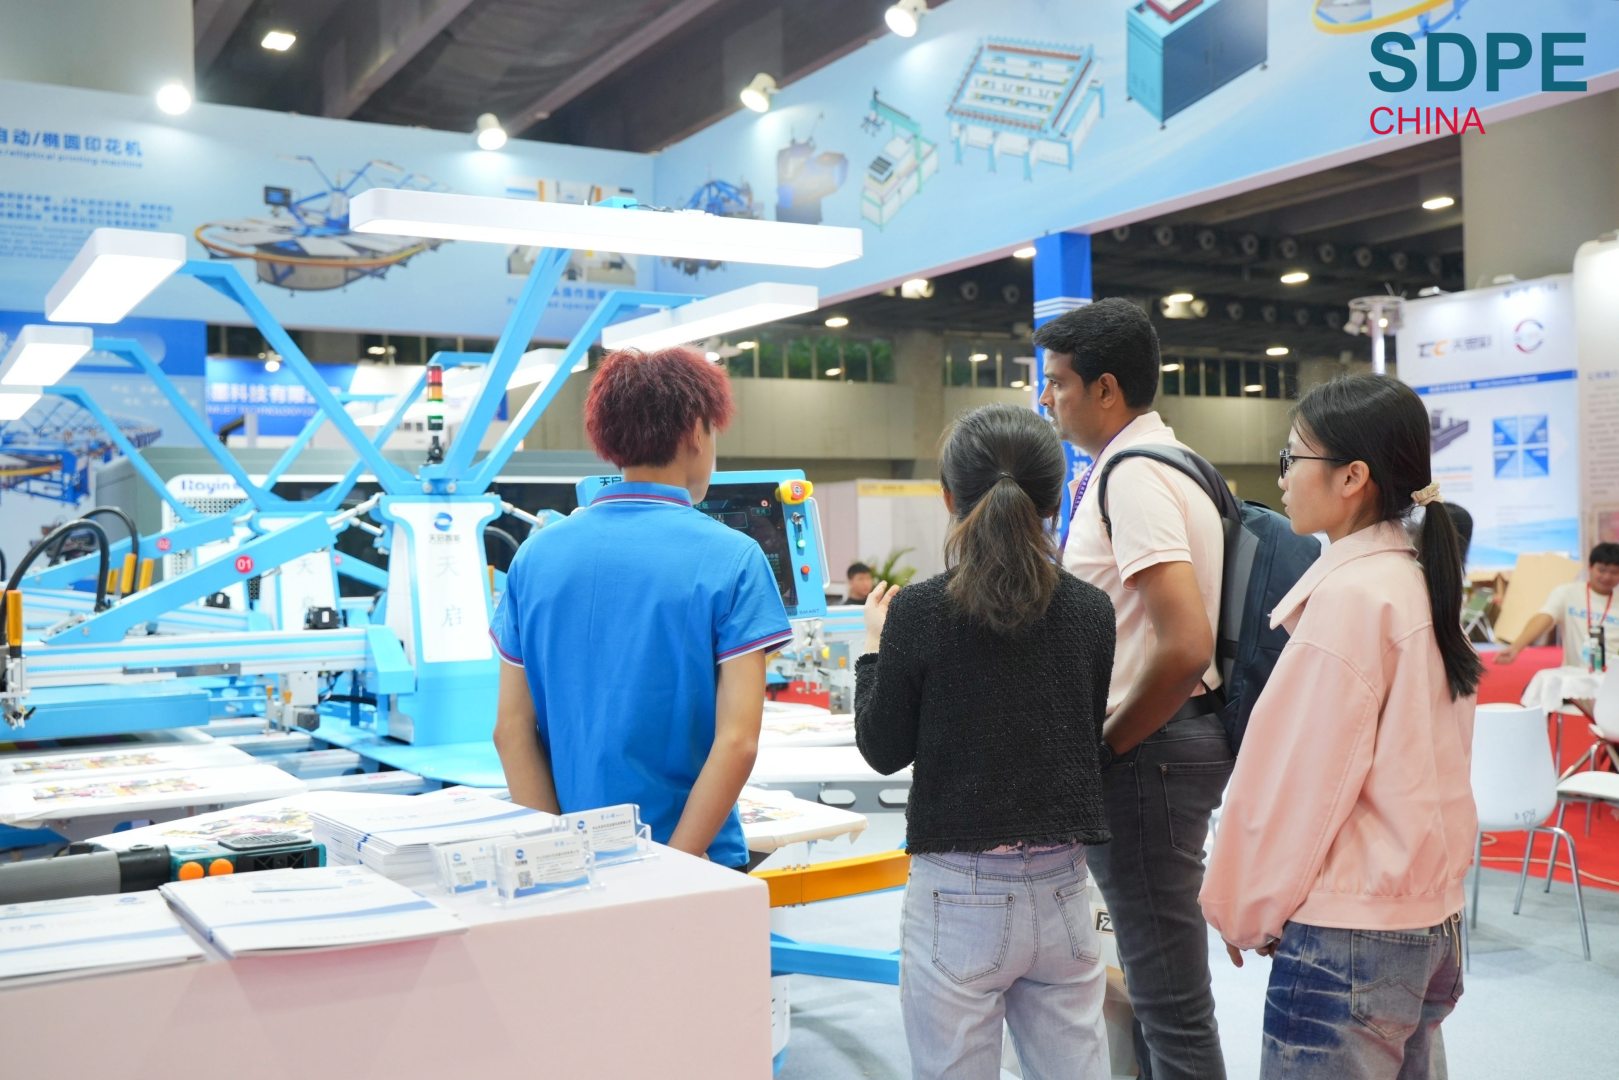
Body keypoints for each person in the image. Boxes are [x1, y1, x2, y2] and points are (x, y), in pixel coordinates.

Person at [1201, 374, 1481, 1079]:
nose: (1283, 478)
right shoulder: (1416, 582)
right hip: (1426, 920)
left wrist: (1243, 903)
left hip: (1350, 933)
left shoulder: (1353, 598)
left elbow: (1298, 784)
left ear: (1352, 477)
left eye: (1292, 458)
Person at [854, 403, 1115, 1080]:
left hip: (958, 895)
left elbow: (883, 749)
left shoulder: (918, 612)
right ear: (1055, 501)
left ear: (948, 497)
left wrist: (873, 651)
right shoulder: (1092, 611)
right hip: (1065, 890)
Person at [490, 346, 792, 869]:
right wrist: (673, 867)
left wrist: (558, 856)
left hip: (574, 862)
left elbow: (510, 730)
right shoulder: (734, 557)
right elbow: (738, 741)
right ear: (696, 431)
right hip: (693, 863)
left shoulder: (535, 556)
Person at [1034, 298, 1230, 1080]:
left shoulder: (1136, 476)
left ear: (1105, 388)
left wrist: (1107, 748)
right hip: (1161, 744)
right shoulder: (1161, 462)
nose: (1047, 398)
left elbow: (1184, 645)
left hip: (1148, 750)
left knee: (1168, 1005)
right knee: (1152, 999)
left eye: (1057, 382)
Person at [1493, 542, 1619, 670]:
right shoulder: (1568, 593)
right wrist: (1516, 647)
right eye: (1602, 570)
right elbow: (1545, 617)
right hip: (1575, 674)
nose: (1607, 577)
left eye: (1614, 572)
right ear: (1590, 567)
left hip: (1613, 674)